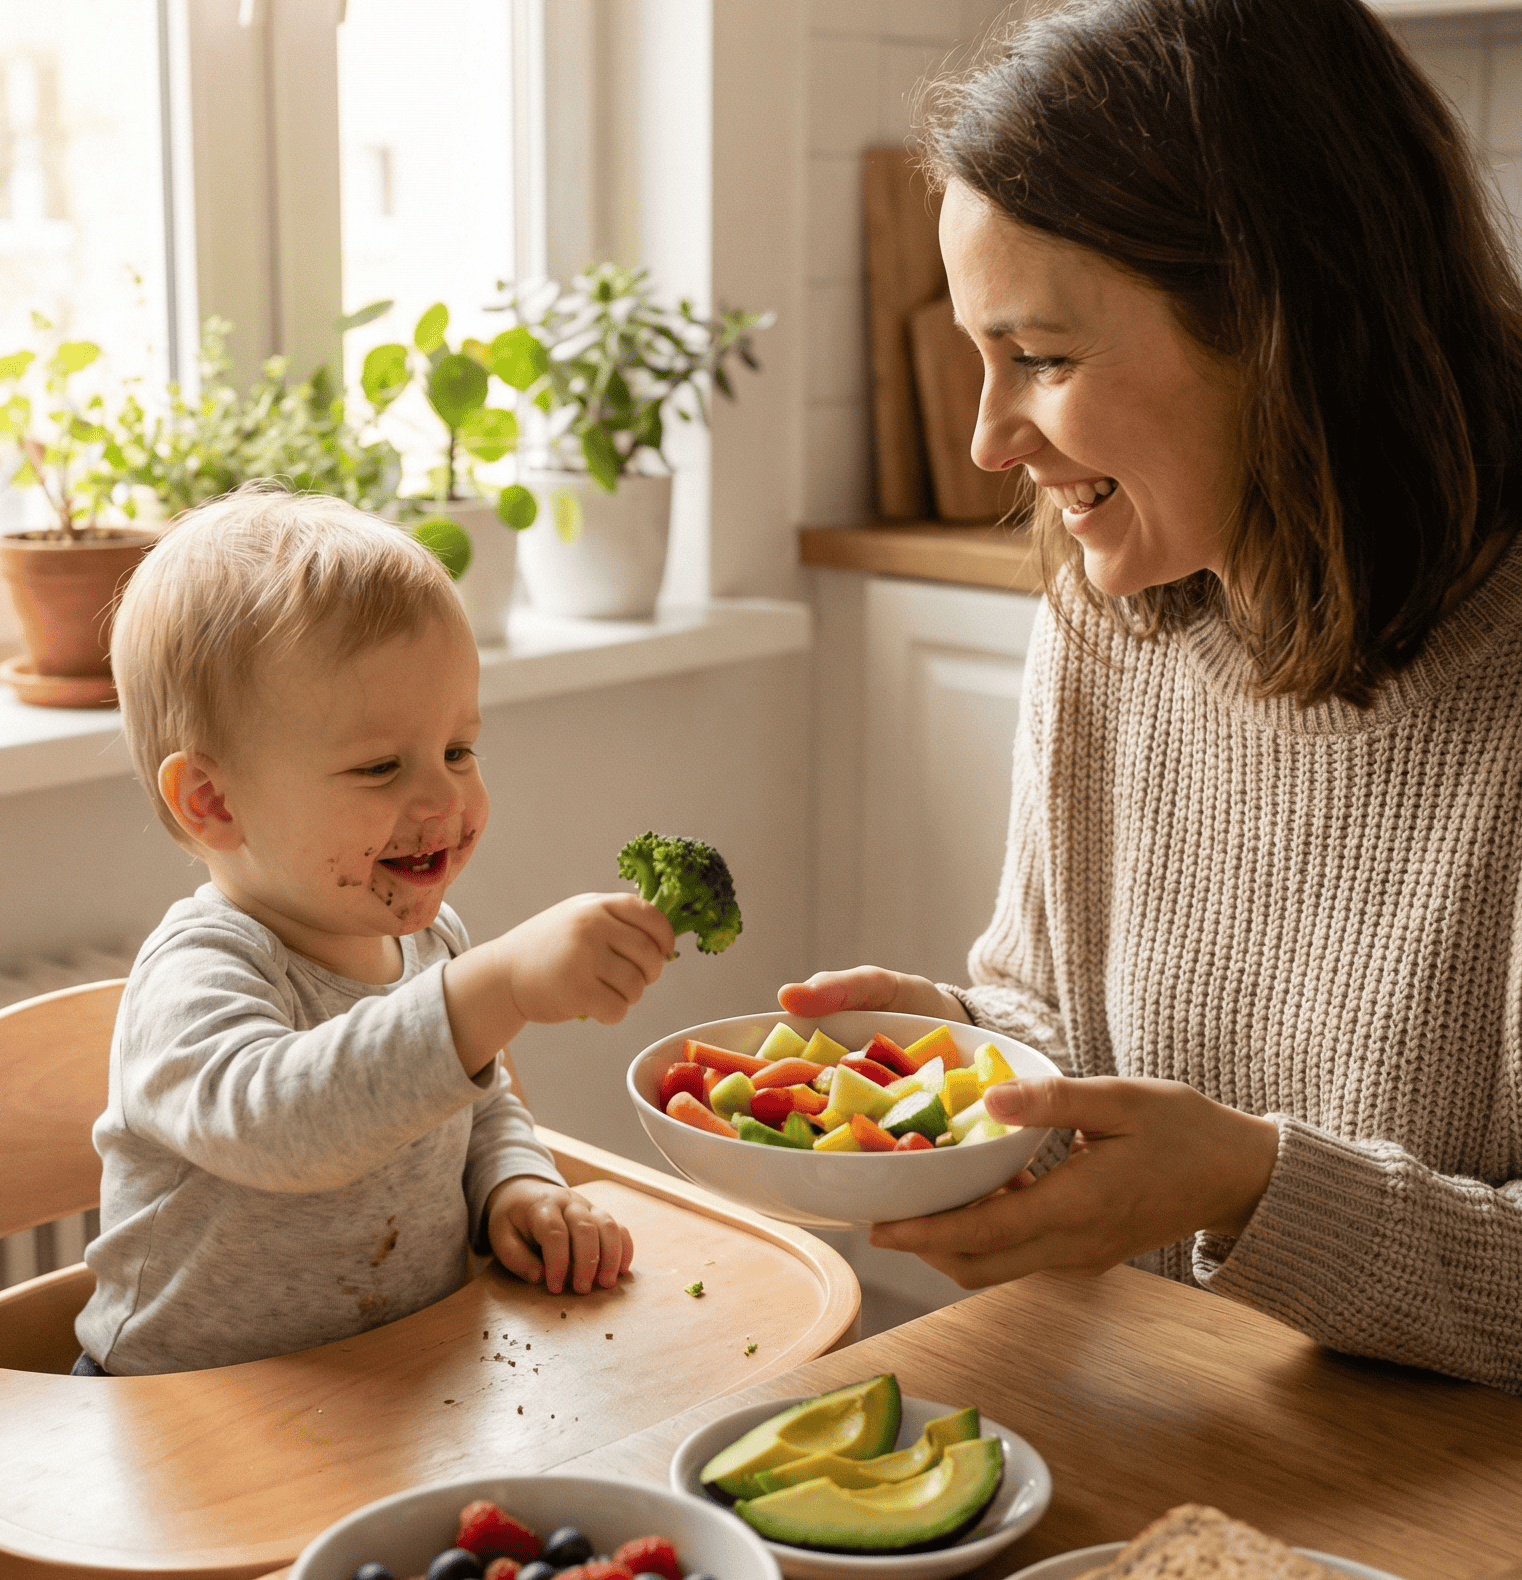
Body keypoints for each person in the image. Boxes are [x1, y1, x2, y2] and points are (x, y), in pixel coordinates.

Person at [783, 0, 1522, 1394]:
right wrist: (972, 1060)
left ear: (1284, 323)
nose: (986, 438)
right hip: (1155, 1410)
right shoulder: (1110, 615)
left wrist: (1253, 1186)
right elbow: (1054, 1013)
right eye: (981, 355)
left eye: (1043, 358)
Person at [74, 486, 673, 1375]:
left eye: (458, 751)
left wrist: (515, 1184)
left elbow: (478, 1105)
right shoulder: (197, 972)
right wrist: (494, 987)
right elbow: (282, 1126)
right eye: (381, 766)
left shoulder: (432, 945)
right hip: (180, 1411)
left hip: (390, 1383)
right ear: (213, 801)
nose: (443, 799)